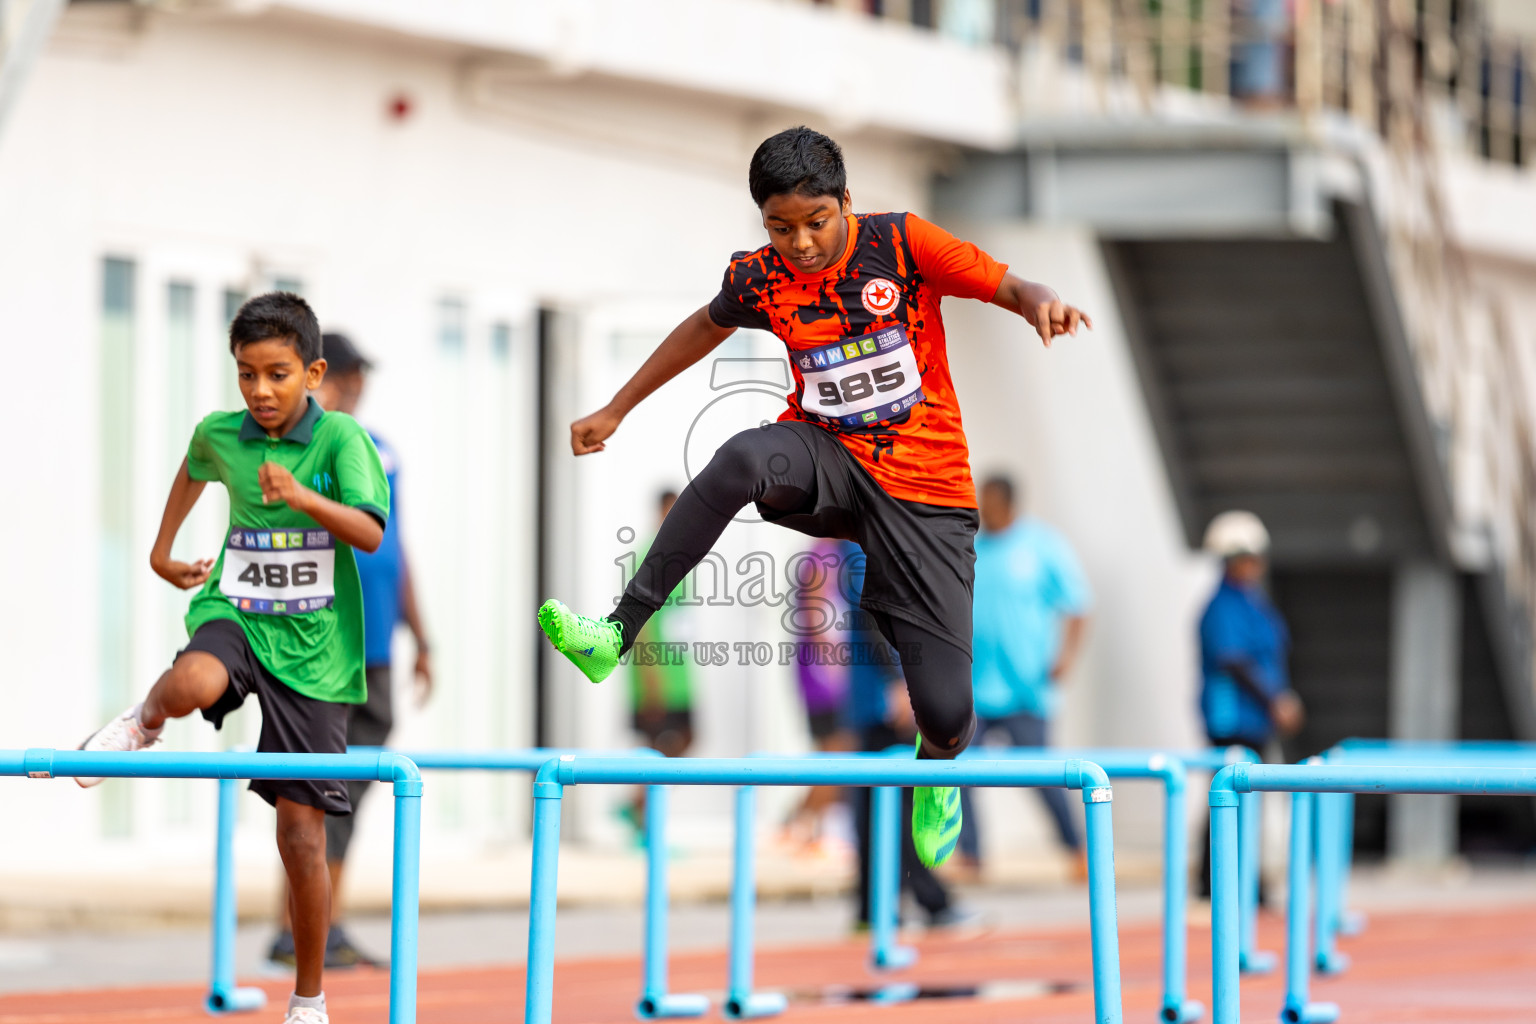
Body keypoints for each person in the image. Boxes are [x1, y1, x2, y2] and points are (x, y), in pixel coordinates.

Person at [536, 125, 1091, 867]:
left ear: (846, 203)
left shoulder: (900, 244)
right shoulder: (762, 277)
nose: (799, 243)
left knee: (951, 711)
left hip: (925, 494)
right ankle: (614, 634)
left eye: (815, 224)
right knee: (739, 457)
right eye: (780, 227)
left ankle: (938, 767)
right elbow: (702, 326)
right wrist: (618, 407)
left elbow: (1012, 283)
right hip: (828, 460)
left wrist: (1040, 305)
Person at [77, 294, 390, 1024]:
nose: (260, 391)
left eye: (277, 374)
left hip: (315, 654)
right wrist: (159, 551)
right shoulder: (223, 435)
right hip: (237, 613)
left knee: (300, 835)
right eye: (246, 374)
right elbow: (193, 467)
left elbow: (370, 533)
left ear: (312, 373)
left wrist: (306, 499)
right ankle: (143, 719)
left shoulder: (342, 440)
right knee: (192, 680)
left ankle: (308, 997)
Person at [266, 332, 433, 970]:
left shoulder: (381, 452)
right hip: (322, 641)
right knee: (312, 789)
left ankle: (321, 926)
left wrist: (423, 635)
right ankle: (297, 930)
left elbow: (396, 547)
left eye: (362, 377)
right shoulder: (300, 447)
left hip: (379, 644)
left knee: (351, 792)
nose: (358, 387)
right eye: (347, 376)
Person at [954, 474, 1091, 880]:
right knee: (959, 771)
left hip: (1025, 688)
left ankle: (1075, 848)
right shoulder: (971, 545)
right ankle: (972, 856)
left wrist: (1065, 656)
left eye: (992, 504)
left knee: (1043, 776)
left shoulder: (1041, 545)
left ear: (1010, 504)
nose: (986, 511)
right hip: (977, 686)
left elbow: (1078, 604)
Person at [840, 547, 974, 930]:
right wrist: (897, 684)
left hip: (880, 698)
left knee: (882, 805)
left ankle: (880, 907)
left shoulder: (874, 540)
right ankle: (920, 903)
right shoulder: (873, 543)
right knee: (897, 806)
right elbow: (872, 616)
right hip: (886, 700)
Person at [1194, 509, 1305, 897]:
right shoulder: (1225, 605)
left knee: (1241, 799)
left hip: (1252, 718)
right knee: (1229, 796)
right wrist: (1275, 701)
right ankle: (1218, 882)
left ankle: (1237, 880)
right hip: (1232, 719)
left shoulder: (1251, 601)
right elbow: (1234, 659)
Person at [622, 489, 696, 837]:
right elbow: (643, 622)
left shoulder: (680, 557)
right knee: (656, 748)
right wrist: (651, 677)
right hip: (657, 673)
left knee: (684, 739)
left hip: (678, 672)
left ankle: (637, 808)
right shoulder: (650, 555)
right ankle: (641, 819)